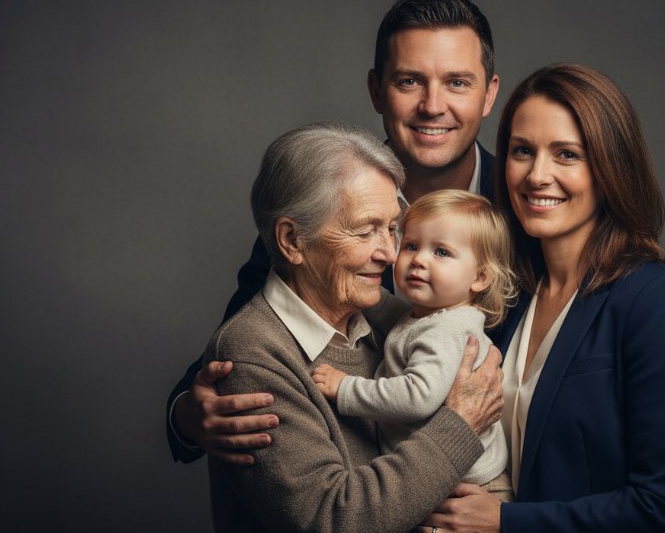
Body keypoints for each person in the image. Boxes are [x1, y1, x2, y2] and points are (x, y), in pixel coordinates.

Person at [168, 0, 501, 465]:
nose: (433, 105)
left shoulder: (523, 211)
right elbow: (241, 347)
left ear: (489, 93)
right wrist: (186, 415)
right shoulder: (319, 205)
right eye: (409, 81)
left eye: (457, 83)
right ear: (376, 90)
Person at [418, 63, 665, 532]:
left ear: (610, 167)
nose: (537, 175)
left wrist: (507, 523)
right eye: (522, 151)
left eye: (567, 155)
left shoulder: (658, 301)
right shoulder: (504, 299)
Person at [204, 122, 502, 533]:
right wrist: (461, 424)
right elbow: (334, 518)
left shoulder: (382, 319)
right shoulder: (253, 355)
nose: (390, 254)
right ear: (292, 240)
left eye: (393, 230)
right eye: (364, 231)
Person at [310, 189, 519, 502]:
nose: (419, 260)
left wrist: (345, 389)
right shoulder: (431, 315)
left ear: (479, 277)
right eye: (410, 246)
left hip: (471, 488)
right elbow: (390, 312)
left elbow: (417, 396)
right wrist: (360, 286)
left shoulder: (446, 330)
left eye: (442, 252)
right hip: (446, 474)